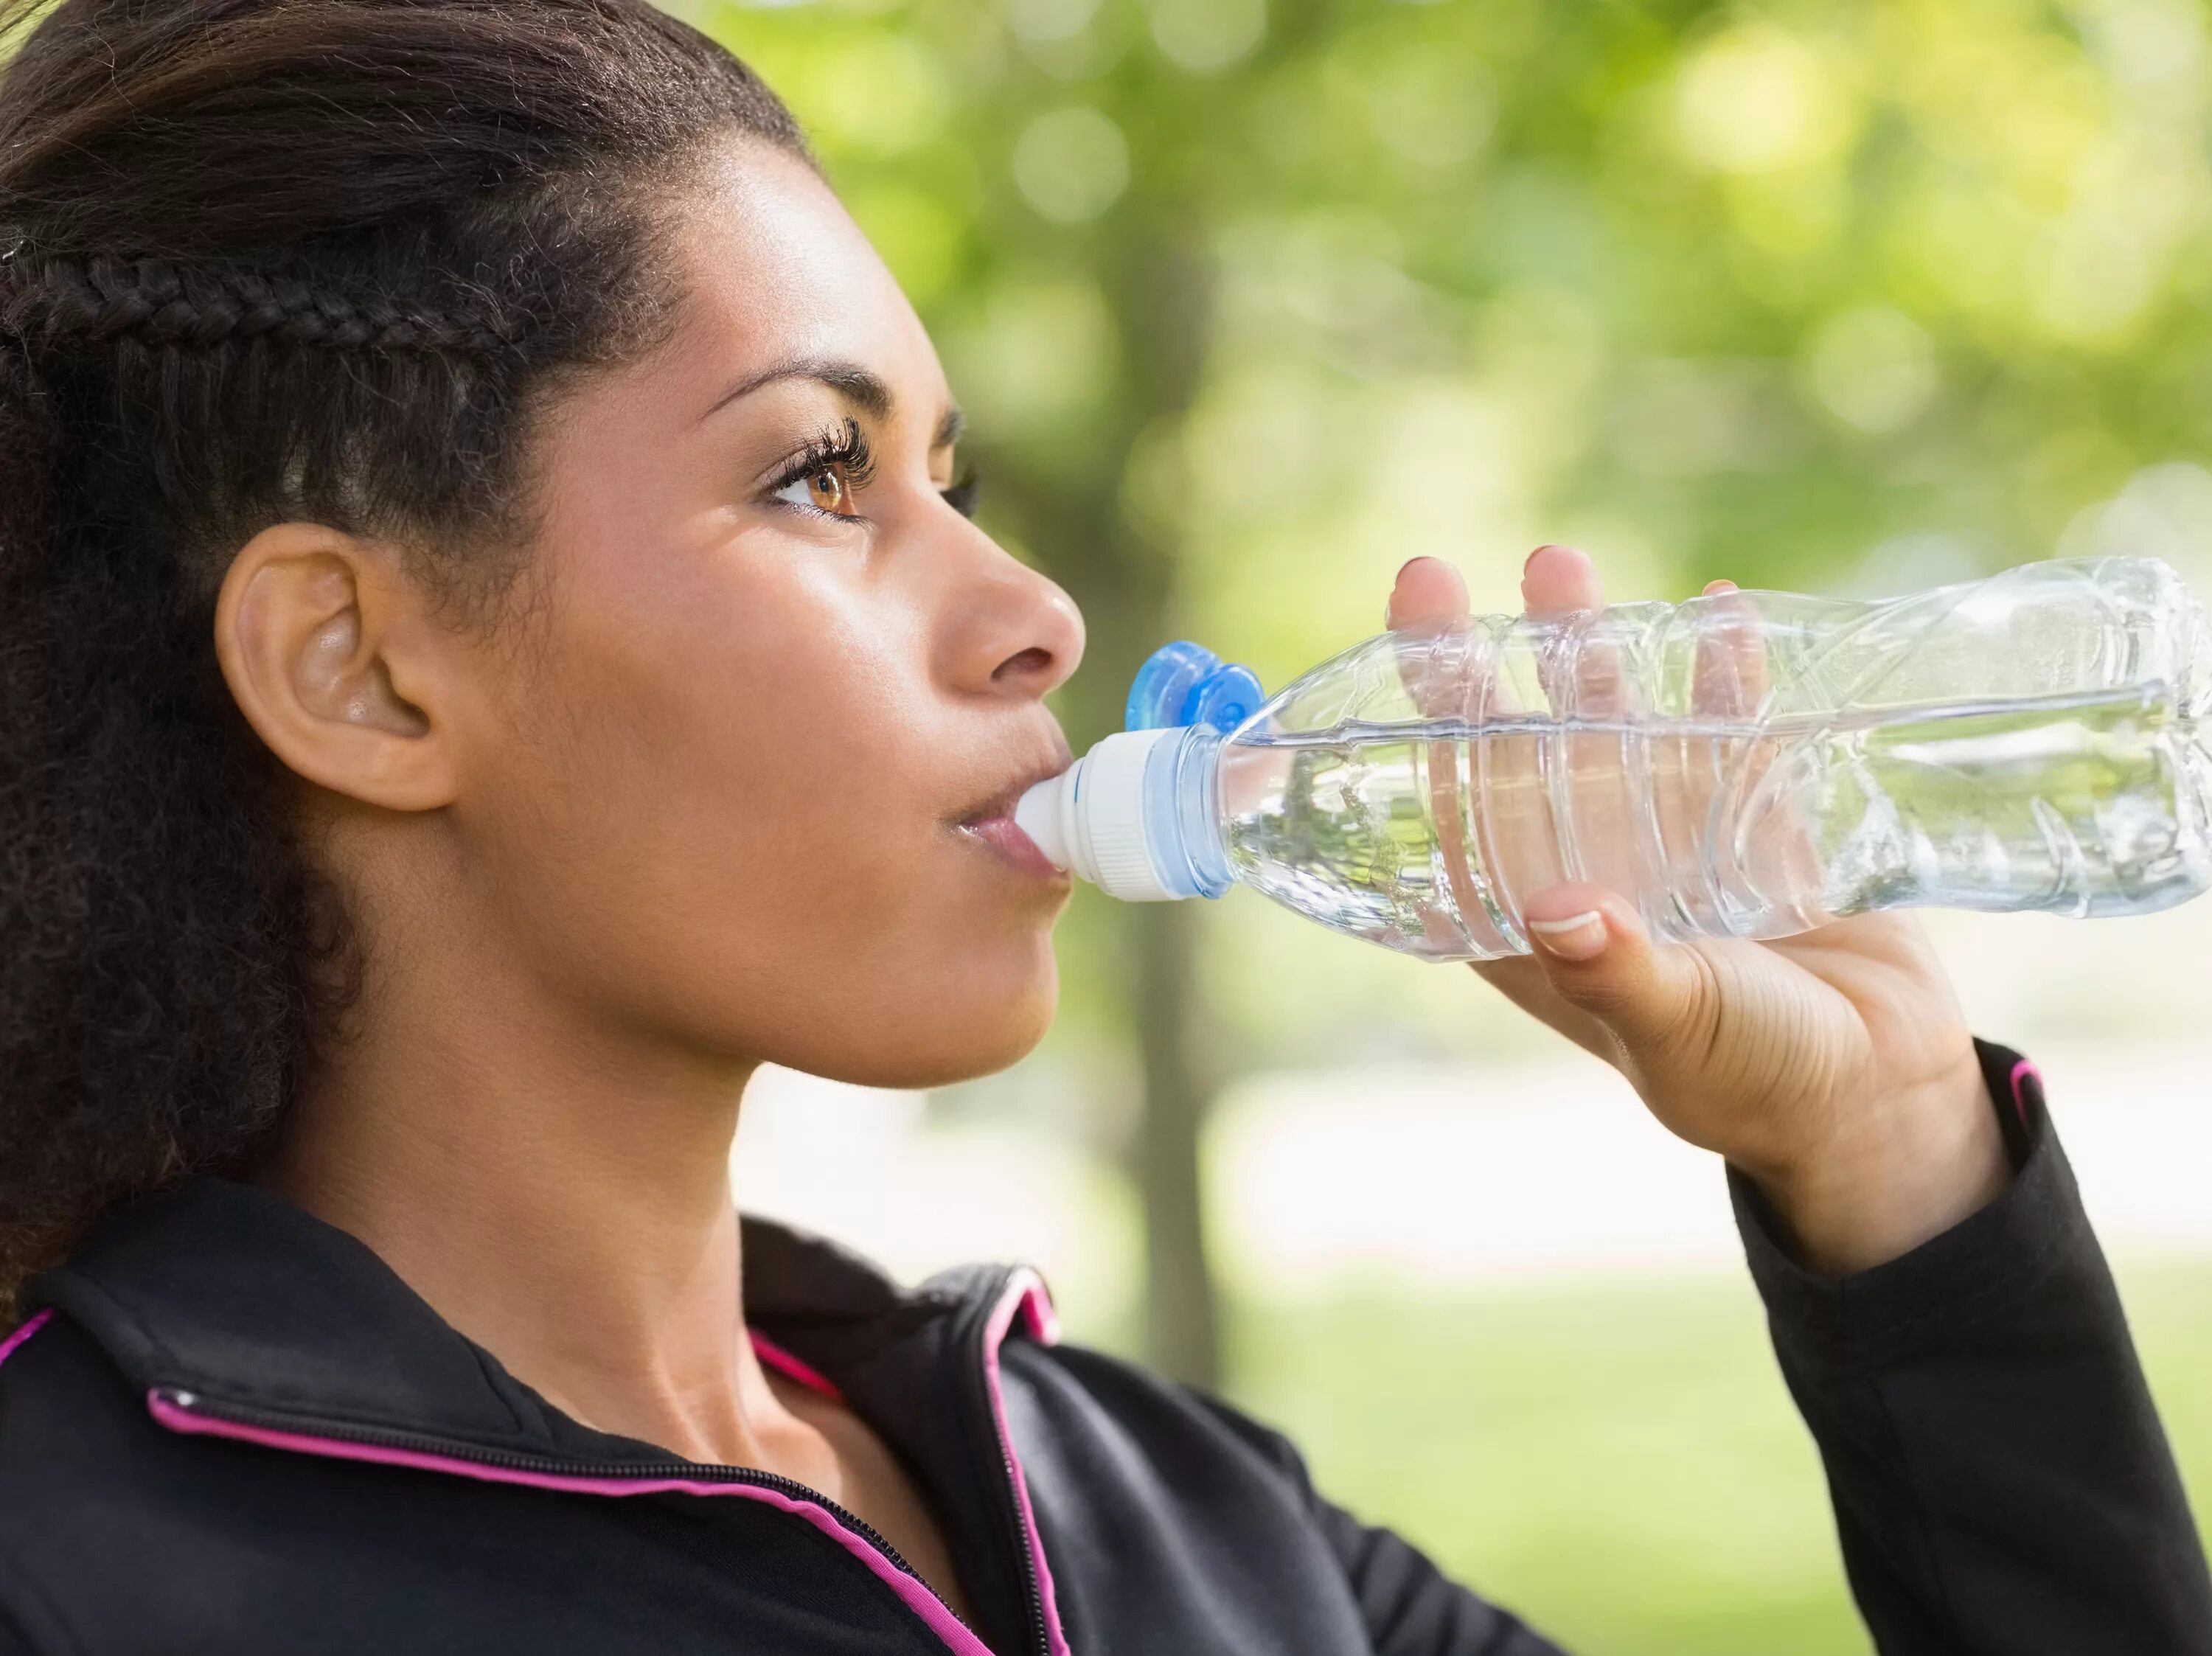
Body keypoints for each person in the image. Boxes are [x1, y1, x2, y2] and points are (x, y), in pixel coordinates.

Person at [0, 2, 2202, 1652]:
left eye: (949, 469)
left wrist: (1898, 1161)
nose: (1034, 614)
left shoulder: (1176, 1530)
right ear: (361, 671)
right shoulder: (74, 1566)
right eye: (814, 475)